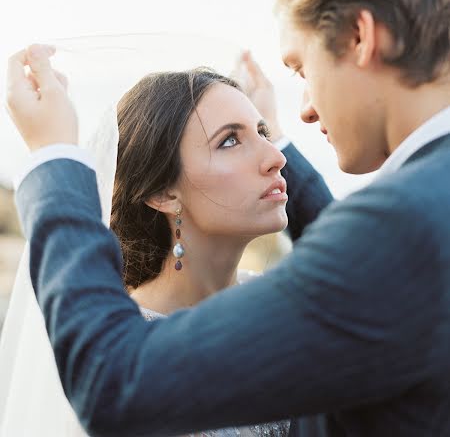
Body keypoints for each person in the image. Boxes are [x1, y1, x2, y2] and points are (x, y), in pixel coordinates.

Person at [6, 0, 450, 436]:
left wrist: (55, 158)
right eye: (232, 140)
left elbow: (115, 382)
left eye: (303, 67)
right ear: (161, 192)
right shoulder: (421, 216)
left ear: (360, 37)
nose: (305, 108)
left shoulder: (401, 231)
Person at [0, 60, 331, 436]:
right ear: (163, 193)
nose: (277, 157)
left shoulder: (285, 311)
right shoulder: (119, 349)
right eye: (230, 140)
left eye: (263, 132)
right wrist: (53, 154)